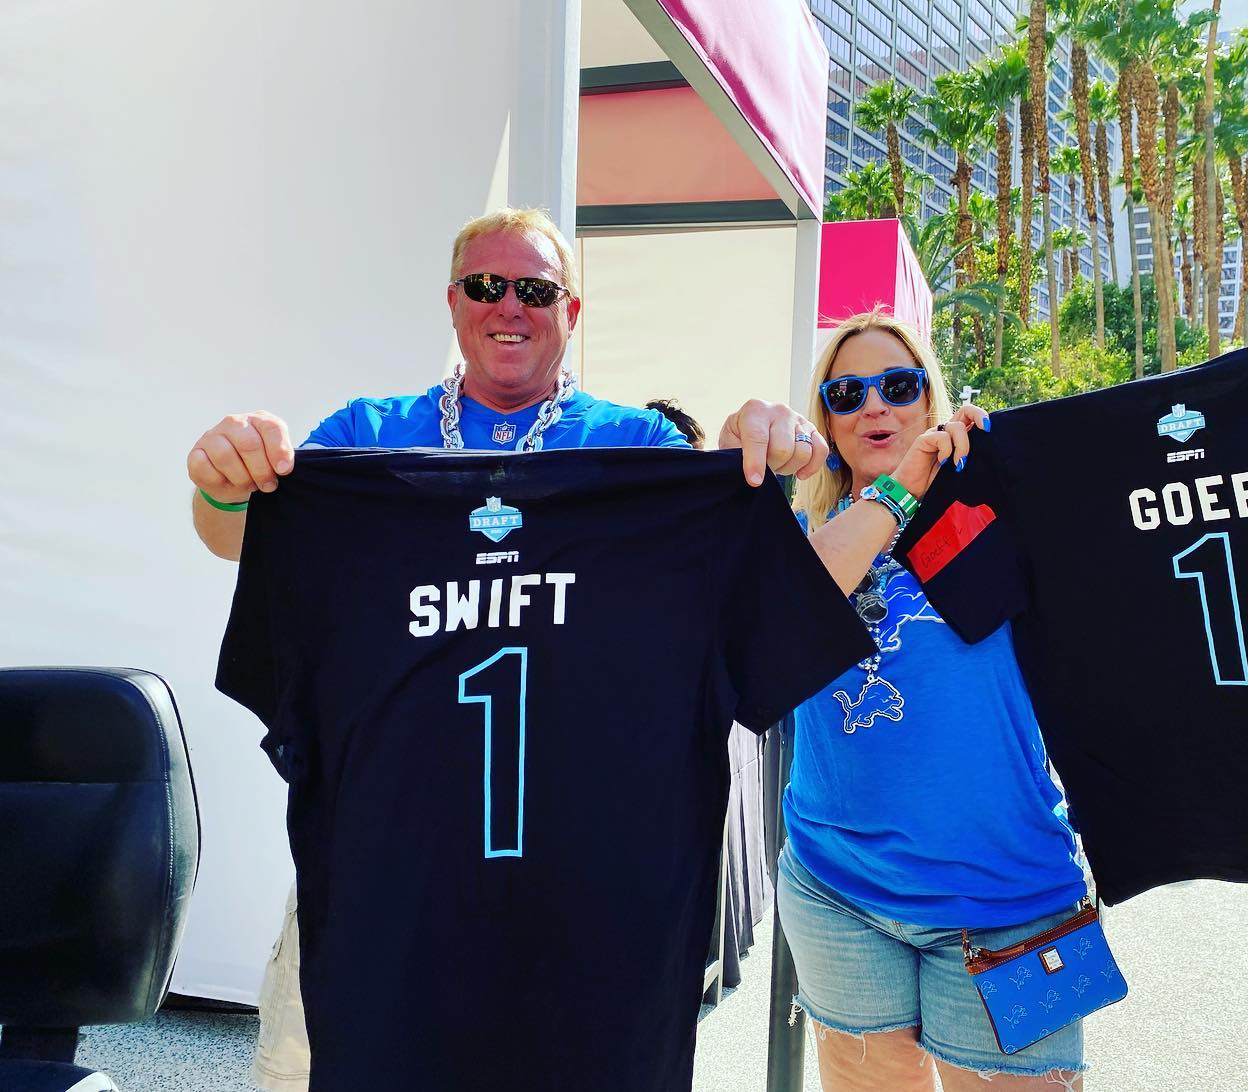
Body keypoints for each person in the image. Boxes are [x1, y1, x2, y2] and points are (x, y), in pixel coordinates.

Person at [185, 206, 826, 1089]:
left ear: (572, 310)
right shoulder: (368, 436)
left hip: (579, 887)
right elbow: (236, 536)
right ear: (453, 303)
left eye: (535, 289)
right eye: (487, 287)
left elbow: (725, 560)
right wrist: (223, 484)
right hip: (389, 881)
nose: (509, 306)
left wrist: (752, 464)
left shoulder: (636, 447)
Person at [777, 309, 1248, 1092]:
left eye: (897, 384)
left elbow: (1157, 445)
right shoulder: (798, 534)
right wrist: (895, 489)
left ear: (930, 396)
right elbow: (792, 605)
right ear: (826, 413)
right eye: (848, 392)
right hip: (836, 891)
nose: (874, 407)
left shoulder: (996, 502)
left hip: (1013, 901)